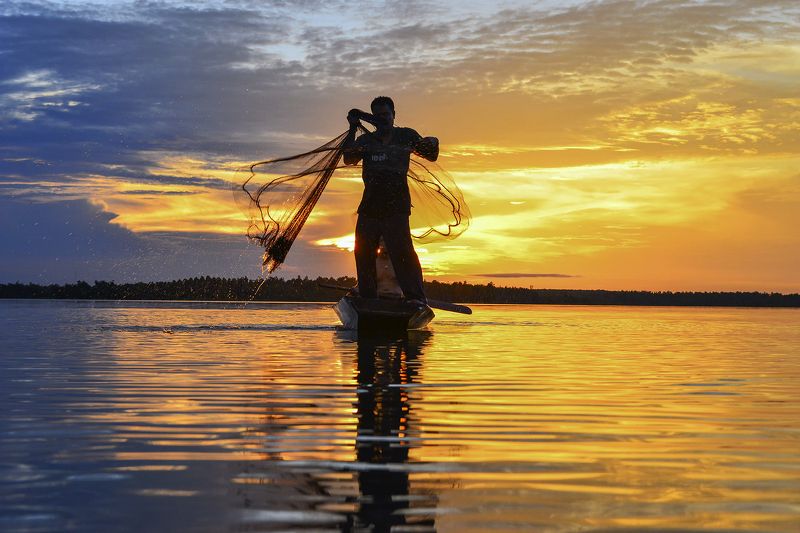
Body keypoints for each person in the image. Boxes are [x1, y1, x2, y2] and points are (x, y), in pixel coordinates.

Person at [342, 96, 439, 305]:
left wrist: (433, 142)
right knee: (363, 252)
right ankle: (368, 299)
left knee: (403, 253)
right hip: (369, 206)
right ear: (373, 118)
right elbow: (348, 158)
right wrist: (352, 128)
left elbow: (431, 155)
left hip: (397, 207)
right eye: (377, 116)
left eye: (386, 114)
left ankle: (415, 298)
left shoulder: (405, 136)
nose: (382, 119)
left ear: (394, 115)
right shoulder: (366, 141)